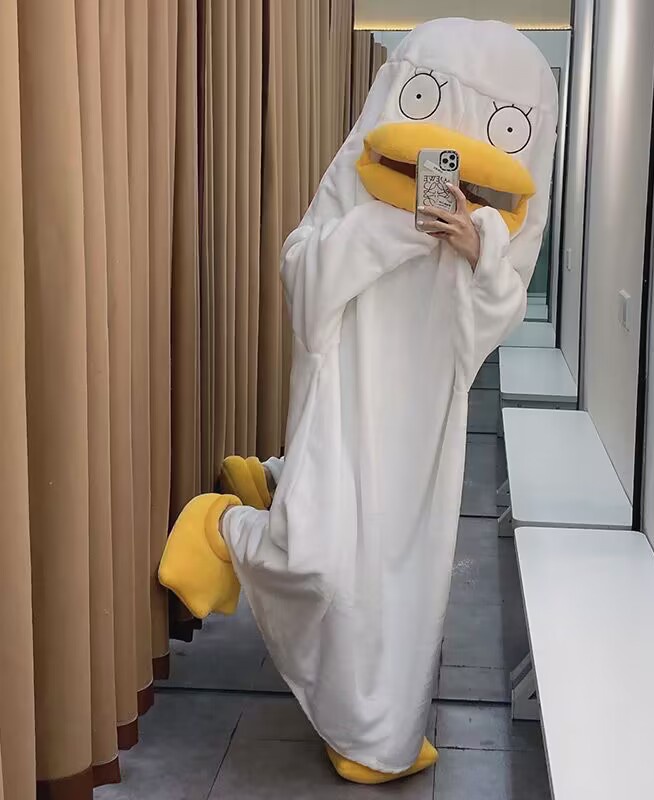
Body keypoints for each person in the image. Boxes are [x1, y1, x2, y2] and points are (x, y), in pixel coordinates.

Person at [158, 17, 557, 784]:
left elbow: (489, 325)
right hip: (346, 389)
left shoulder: (491, 228)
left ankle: (377, 734)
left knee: (399, 589)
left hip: (424, 421)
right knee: (318, 560)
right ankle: (225, 529)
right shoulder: (362, 179)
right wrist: (390, 229)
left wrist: (480, 251)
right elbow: (302, 270)